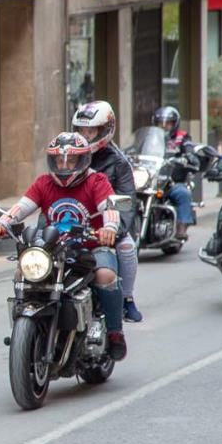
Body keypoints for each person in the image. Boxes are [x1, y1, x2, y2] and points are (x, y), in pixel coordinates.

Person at [0, 132, 127, 361]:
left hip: (91, 246)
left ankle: (114, 332)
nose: (64, 165)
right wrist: (2, 224)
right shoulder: (44, 183)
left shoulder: (96, 181)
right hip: (54, 248)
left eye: (71, 160)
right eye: (59, 160)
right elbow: (22, 207)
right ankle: (26, 325)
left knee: (105, 274)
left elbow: (108, 207)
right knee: (23, 271)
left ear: (83, 160)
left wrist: (109, 228)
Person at [71, 101, 142, 323]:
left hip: (105, 225)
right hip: (72, 220)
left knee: (127, 247)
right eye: (81, 130)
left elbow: (127, 201)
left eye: (90, 130)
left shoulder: (118, 162)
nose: (85, 135)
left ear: (105, 129)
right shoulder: (68, 155)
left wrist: (115, 229)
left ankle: (127, 298)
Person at [153, 106, 199, 240]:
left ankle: (181, 227)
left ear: (175, 123)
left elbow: (189, 148)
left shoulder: (182, 137)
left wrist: (189, 155)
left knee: (182, 193)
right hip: (153, 181)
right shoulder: (154, 138)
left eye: (167, 123)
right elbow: (141, 147)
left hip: (172, 181)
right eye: (160, 123)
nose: (163, 126)